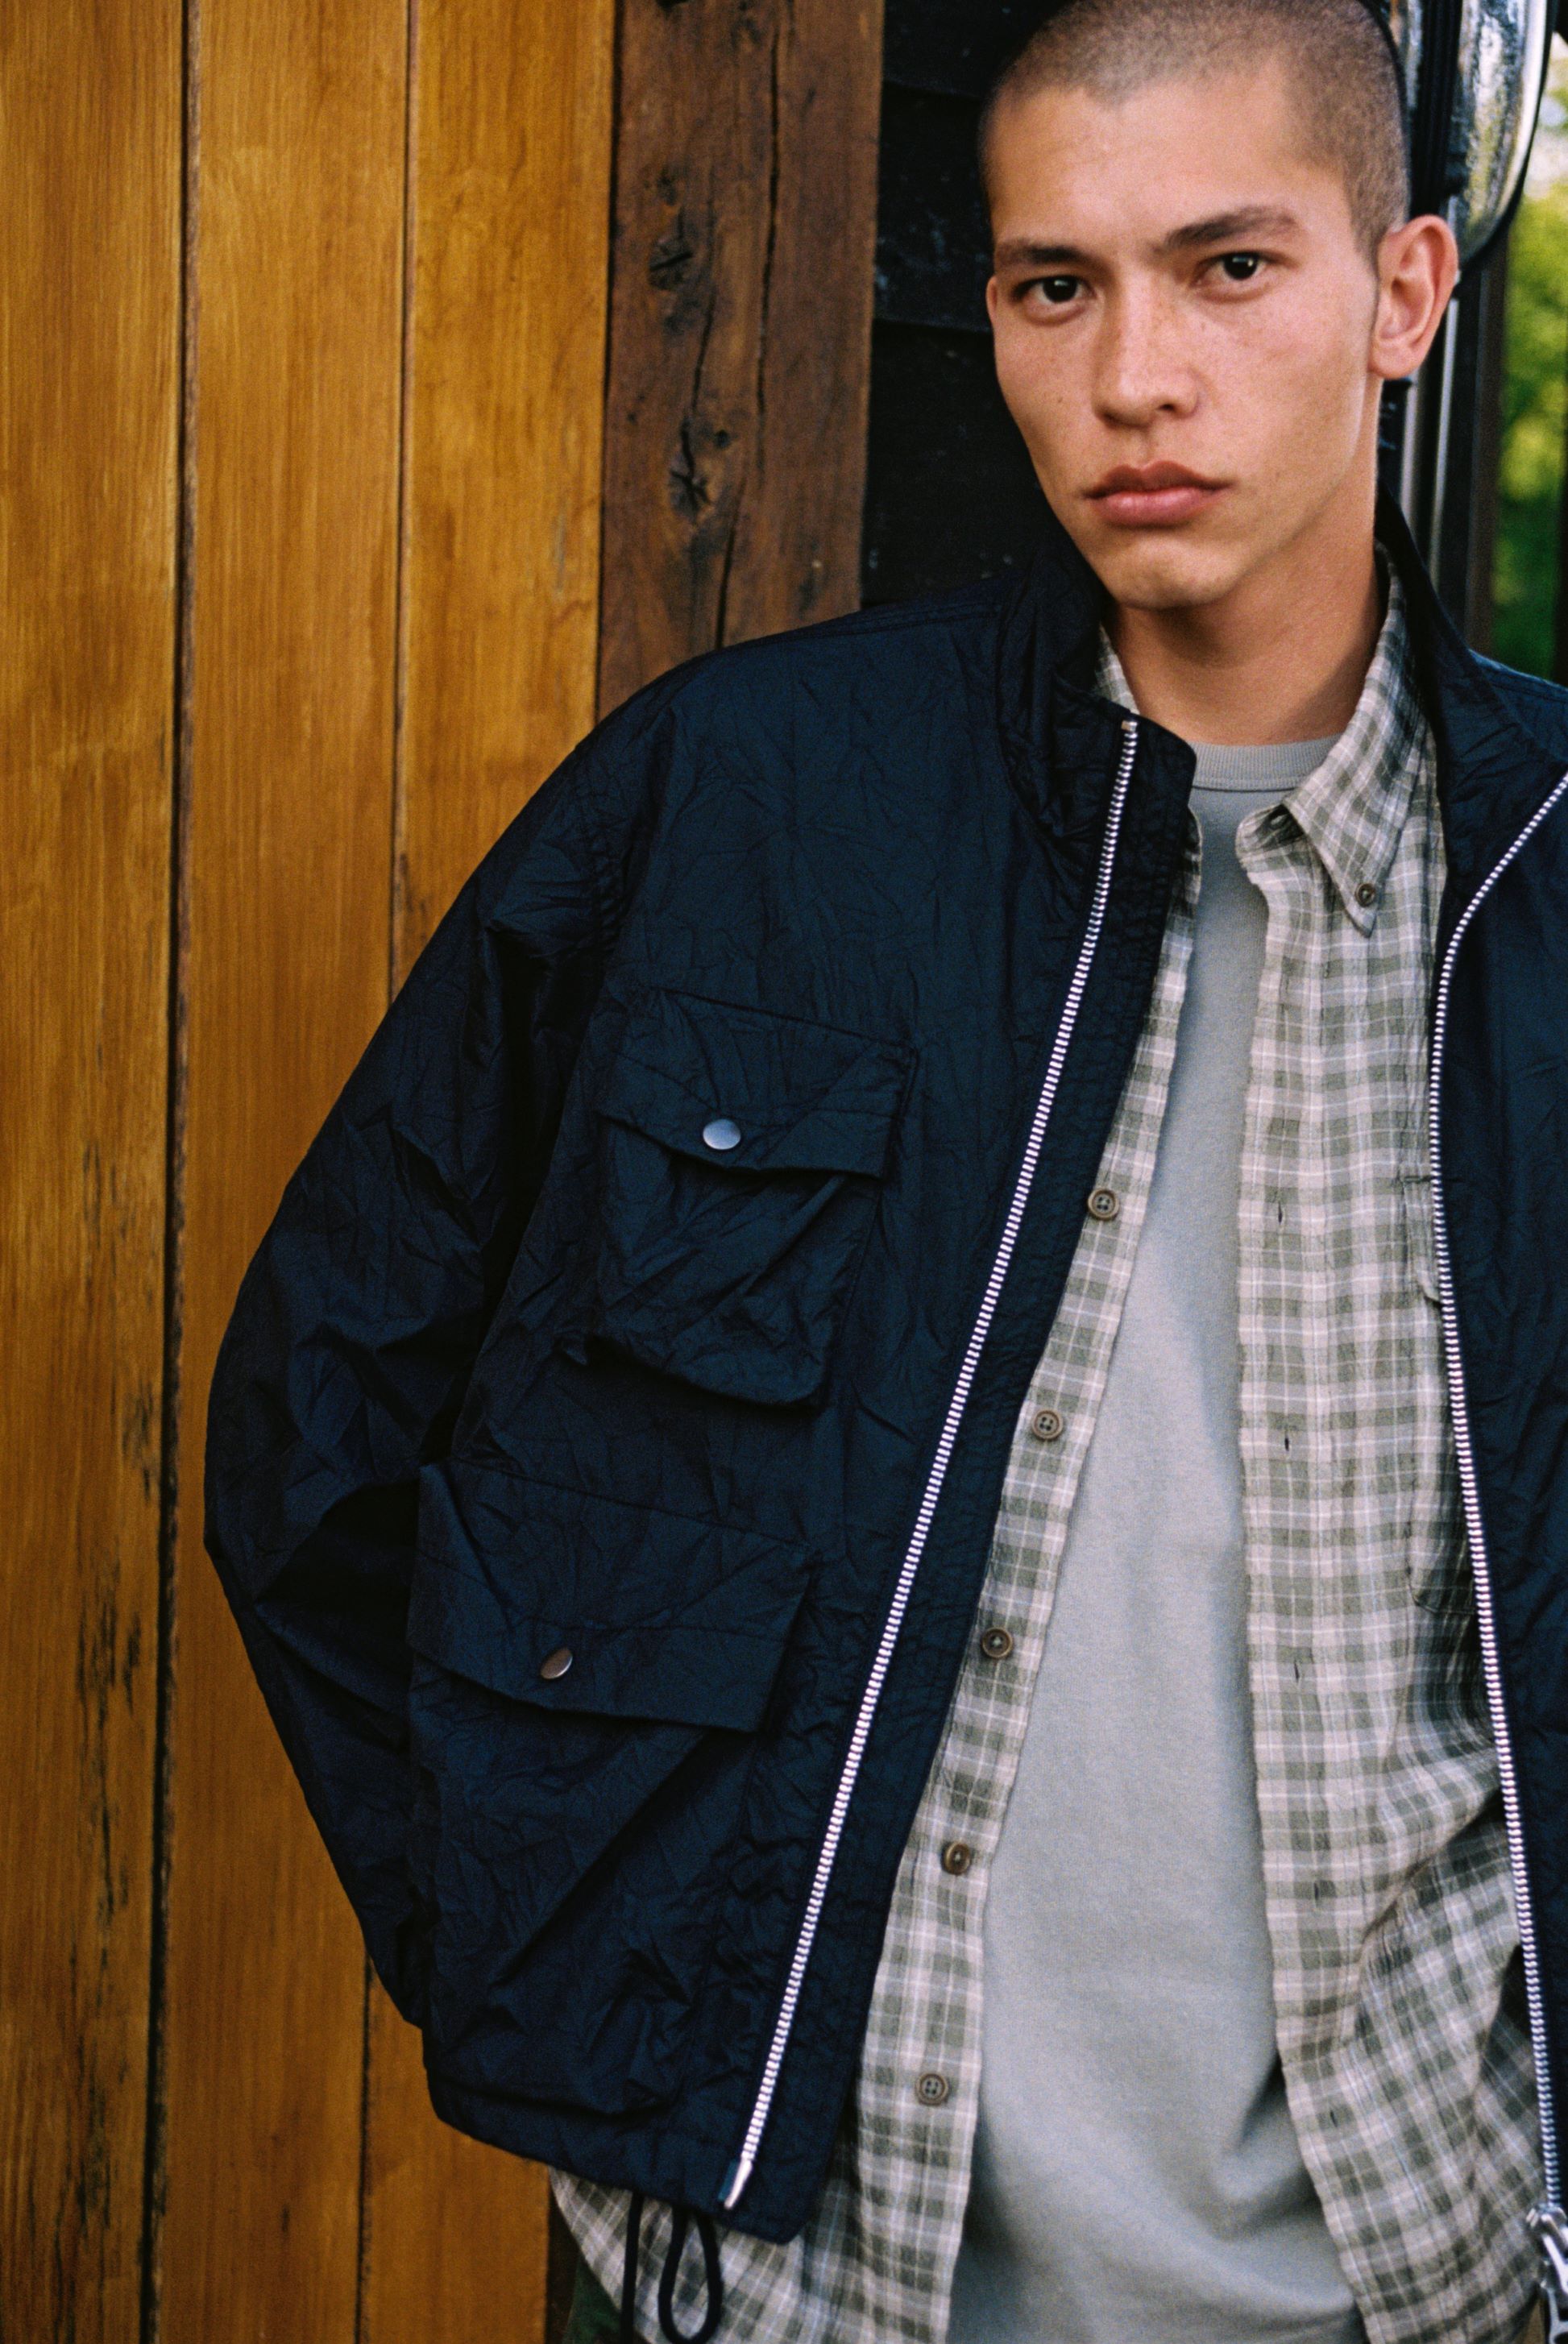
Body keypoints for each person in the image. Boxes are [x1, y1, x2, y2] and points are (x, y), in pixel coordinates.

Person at [203, 2, 1568, 2338]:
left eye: (1229, 267)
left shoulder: (1537, 892)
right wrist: (554, 1958)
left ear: (1405, 293)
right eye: (1053, 285)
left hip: (1415, 2276)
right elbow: (317, 1425)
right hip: (794, 2277)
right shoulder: (743, 806)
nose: (1131, 376)